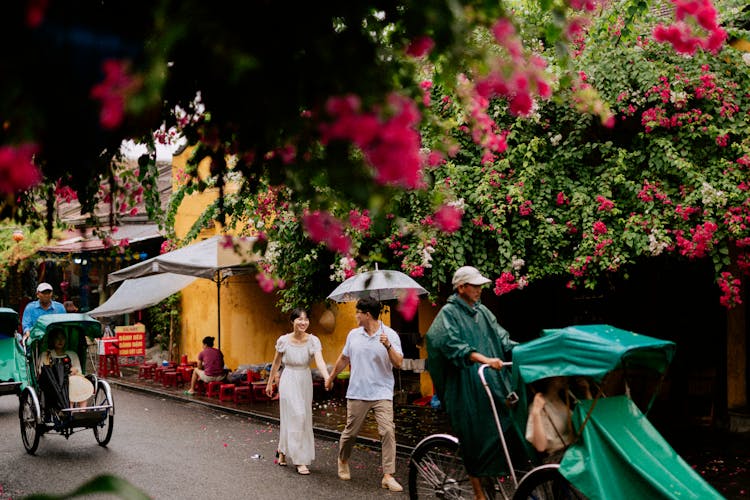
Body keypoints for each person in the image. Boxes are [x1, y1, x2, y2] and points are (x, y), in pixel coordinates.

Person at [425, 266, 518, 500]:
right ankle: (478, 493)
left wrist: (525, 351)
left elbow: (502, 337)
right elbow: (447, 342)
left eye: (480, 286)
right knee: (473, 435)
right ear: (461, 287)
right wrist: (482, 358)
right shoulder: (448, 313)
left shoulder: (483, 311)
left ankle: (491, 478)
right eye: (474, 285)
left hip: (489, 380)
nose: (479, 290)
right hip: (464, 384)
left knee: (502, 425)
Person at [325, 296, 404, 492]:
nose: (356, 316)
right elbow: (344, 358)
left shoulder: (390, 335)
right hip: (358, 391)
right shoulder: (353, 335)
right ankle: (343, 459)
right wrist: (331, 377)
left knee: (387, 431)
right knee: (350, 433)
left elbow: (399, 363)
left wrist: (387, 346)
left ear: (367, 314)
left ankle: (388, 475)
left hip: (382, 391)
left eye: (358, 312)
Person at [265, 308, 330, 475]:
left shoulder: (313, 341)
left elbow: (320, 361)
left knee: (297, 418)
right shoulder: (283, 341)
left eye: (306, 319)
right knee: (298, 415)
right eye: (299, 319)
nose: (303, 322)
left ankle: (282, 451)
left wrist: (326, 376)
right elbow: (276, 364)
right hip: (288, 378)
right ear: (292, 321)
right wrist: (270, 383)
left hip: (304, 379)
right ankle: (300, 460)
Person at [38, 328, 89, 408]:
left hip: (72, 383)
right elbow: (42, 372)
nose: (60, 340)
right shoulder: (46, 355)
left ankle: (82, 412)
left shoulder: (72, 354)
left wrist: (74, 371)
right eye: (57, 338)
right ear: (52, 340)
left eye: (62, 338)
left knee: (81, 386)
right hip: (53, 386)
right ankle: (70, 412)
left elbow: (79, 372)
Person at [20, 282, 66, 347]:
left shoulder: (60, 307)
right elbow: (26, 326)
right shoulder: (30, 307)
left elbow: (64, 325)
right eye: (43, 293)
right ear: (37, 294)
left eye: (48, 293)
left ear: (52, 294)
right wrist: (28, 334)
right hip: (36, 341)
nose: (46, 295)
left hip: (56, 340)